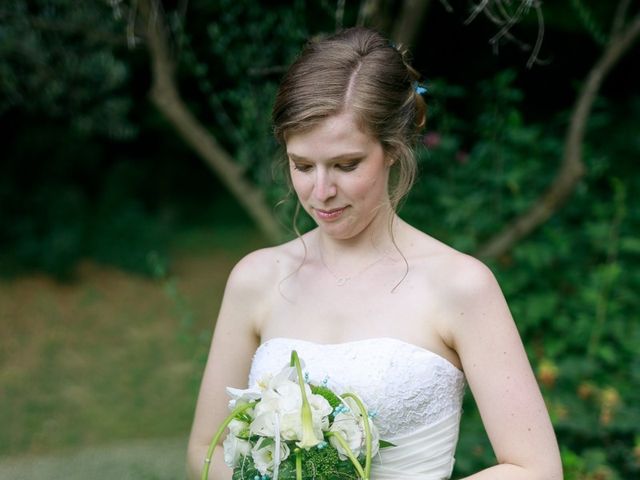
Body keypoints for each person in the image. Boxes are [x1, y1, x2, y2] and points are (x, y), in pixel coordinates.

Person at [187, 27, 562, 480]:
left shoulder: (461, 285)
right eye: (302, 165)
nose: (321, 191)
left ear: (392, 151)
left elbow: (535, 468)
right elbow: (206, 448)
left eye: (346, 165)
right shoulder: (255, 278)